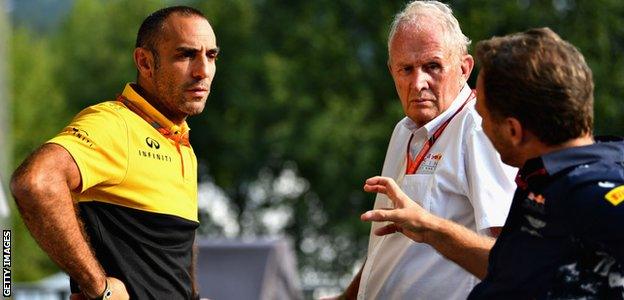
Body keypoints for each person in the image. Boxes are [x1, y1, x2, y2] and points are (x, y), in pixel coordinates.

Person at [361, 27, 624, 299]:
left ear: (513, 130)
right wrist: (429, 228)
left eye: (482, 115)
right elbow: (512, 268)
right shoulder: (544, 182)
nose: (479, 124)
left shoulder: (599, 197)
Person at [10, 6, 218, 299]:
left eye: (211, 56)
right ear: (145, 63)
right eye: (185, 55)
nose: (203, 71)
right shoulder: (114, 123)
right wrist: (99, 288)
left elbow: (174, 248)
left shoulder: (180, 142)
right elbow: (35, 182)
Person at [338, 1, 517, 299]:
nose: (418, 82)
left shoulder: (478, 129)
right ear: (391, 71)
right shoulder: (403, 130)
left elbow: (515, 257)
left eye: (432, 66)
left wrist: (430, 228)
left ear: (464, 68)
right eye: (405, 69)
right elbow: (390, 247)